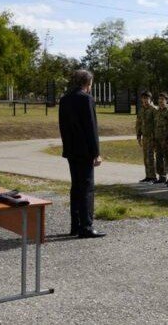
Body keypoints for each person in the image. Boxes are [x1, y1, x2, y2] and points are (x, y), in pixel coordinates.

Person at [58, 69, 105, 238]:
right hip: (85, 151)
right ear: (88, 83)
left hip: (71, 149)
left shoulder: (64, 99)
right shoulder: (86, 99)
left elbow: (62, 126)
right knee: (86, 188)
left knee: (76, 187)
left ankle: (75, 225)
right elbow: (91, 128)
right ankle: (86, 226)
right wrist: (96, 152)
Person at [135, 91, 158, 183]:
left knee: (151, 156)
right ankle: (148, 175)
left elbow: (157, 124)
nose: (144, 100)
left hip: (152, 137)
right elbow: (138, 123)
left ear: (150, 99)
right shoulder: (141, 110)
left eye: (146, 98)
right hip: (145, 137)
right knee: (145, 157)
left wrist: (156, 137)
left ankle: (153, 176)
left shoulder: (154, 110)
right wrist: (138, 136)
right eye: (143, 98)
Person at [154, 92, 168, 185]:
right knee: (159, 158)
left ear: (166, 101)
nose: (160, 101)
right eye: (159, 99)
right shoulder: (158, 111)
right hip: (158, 139)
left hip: (166, 139)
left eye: (162, 99)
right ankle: (162, 176)